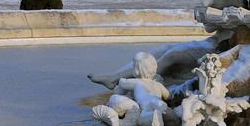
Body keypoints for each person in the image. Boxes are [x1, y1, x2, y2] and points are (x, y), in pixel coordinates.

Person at [87, 30, 233, 90]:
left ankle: (143, 82)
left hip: (212, 49)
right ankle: (113, 78)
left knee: (171, 56)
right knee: (160, 51)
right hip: (207, 42)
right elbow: (210, 26)